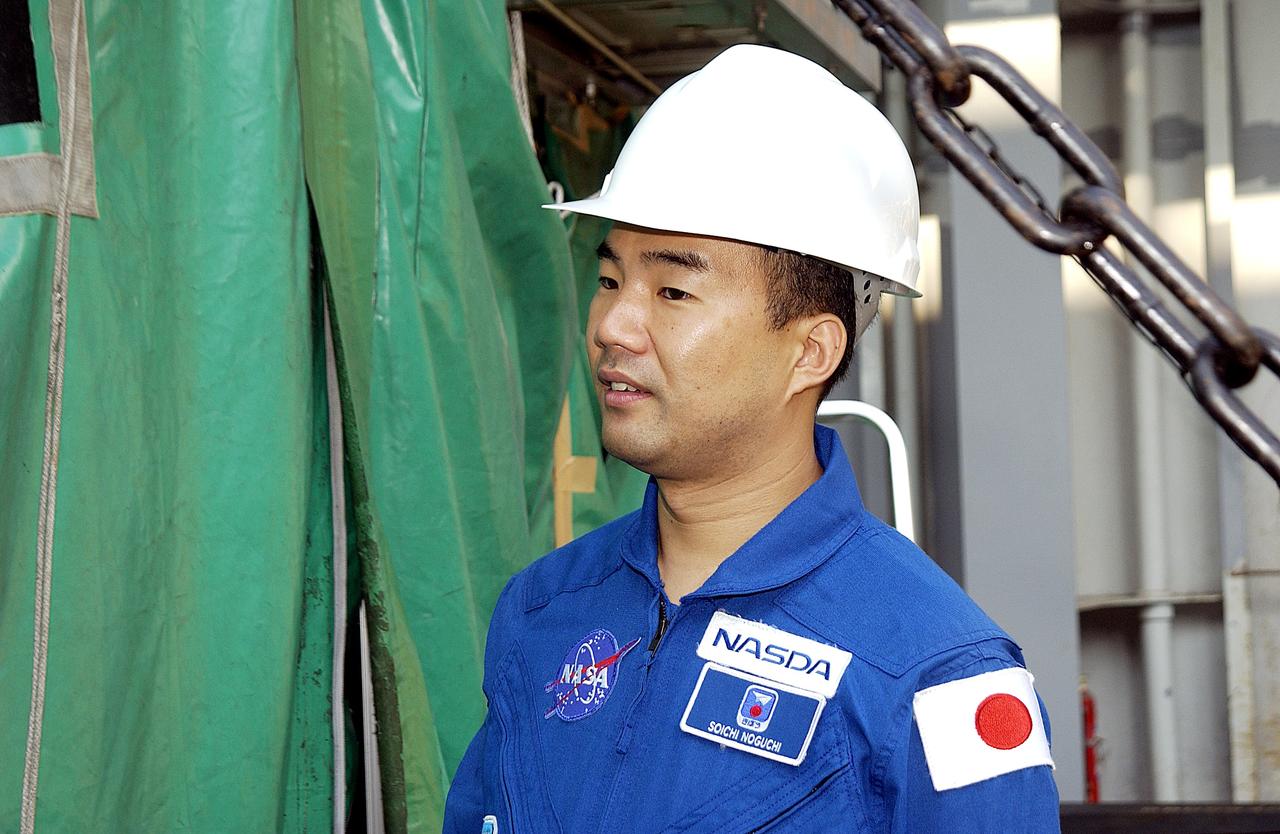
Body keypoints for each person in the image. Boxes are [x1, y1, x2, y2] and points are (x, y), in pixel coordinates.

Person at [444, 44, 1060, 833]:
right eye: (608, 280)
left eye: (672, 290)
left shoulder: (931, 672)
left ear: (811, 351)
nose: (613, 327)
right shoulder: (545, 610)